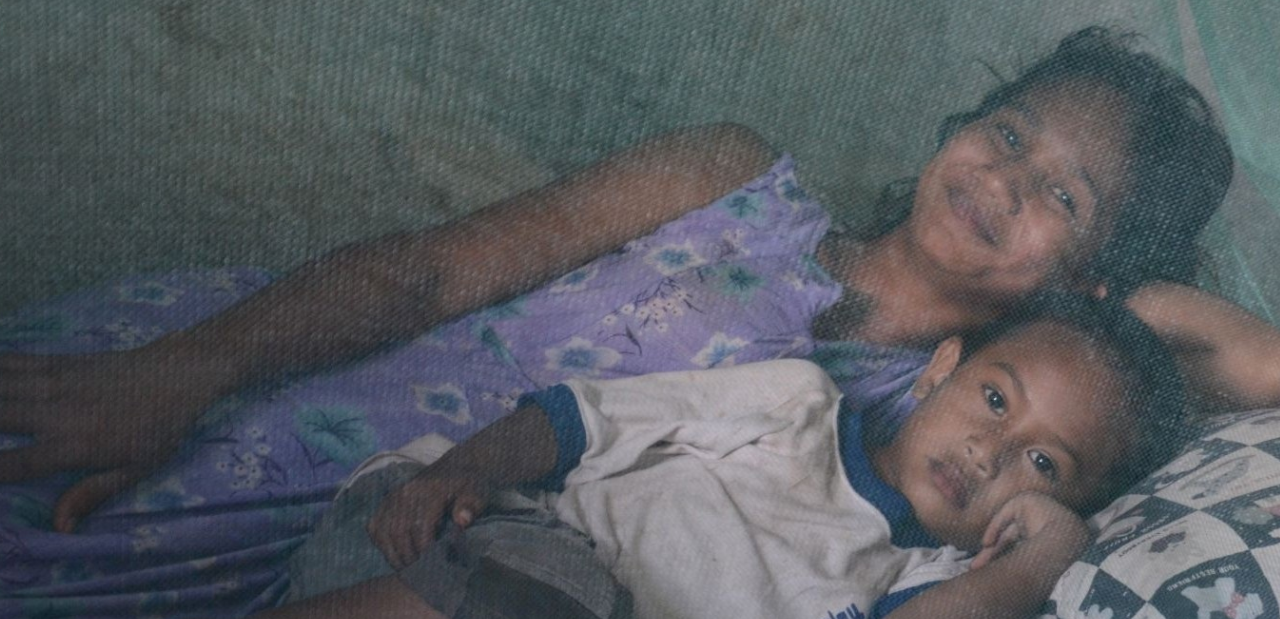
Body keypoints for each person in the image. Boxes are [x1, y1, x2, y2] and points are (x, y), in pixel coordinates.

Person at [0, 26, 1274, 617]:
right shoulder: (730, 178)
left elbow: (1244, 358)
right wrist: (180, 369)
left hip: (445, 571)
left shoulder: (928, 426)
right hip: (251, 395)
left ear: (1094, 274)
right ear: (952, 130)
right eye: (1007, 134)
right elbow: (429, 276)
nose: (1002, 181)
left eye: (1061, 194)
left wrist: (1118, 302)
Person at [256, 292, 1191, 619]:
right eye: (995, 398)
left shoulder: (931, 575)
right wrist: (462, 470)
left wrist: (1039, 560)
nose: (992, 451)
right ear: (939, 368)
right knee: (557, 588)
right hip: (453, 535)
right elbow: (577, 419)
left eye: (1044, 464)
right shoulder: (795, 404)